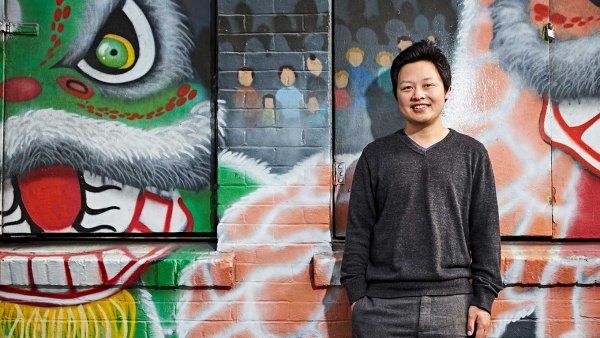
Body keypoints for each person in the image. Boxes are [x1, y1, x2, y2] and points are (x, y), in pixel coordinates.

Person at [340, 40, 503, 338]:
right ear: (397, 95)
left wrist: (484, 300)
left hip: (453, 308)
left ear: (447, 91)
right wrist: (357, 298)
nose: (418, 95)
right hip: (381, 310)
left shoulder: (472, 154)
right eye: (407, 88)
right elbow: (359, 231)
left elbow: (486, 231)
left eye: (428, 85)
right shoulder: (375, 156)